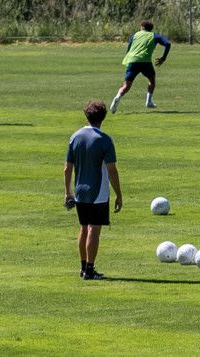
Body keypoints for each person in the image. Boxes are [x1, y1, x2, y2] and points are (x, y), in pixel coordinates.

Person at [63, 100, 122, 281]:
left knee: (83, 228)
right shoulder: (104, 140)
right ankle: (90, 270)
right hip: (98, 192)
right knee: (94, 230)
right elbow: (111, 170)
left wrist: (68, 192)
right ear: (103, 117)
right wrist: (119, 194)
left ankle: (83, 268)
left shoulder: (75, 137)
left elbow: (67, 168)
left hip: (80, 191)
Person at [109, 20, 170, 113]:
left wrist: (129, 61)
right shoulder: (154, 35)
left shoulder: (135, 35)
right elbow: (167, 43)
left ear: (142, 27)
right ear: (151, 28)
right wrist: (163, 58)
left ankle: (118, 96)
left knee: (126, 85)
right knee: (152, 80)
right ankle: (148, 102)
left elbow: (129, 49)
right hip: (145, 62)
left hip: (133, 61)